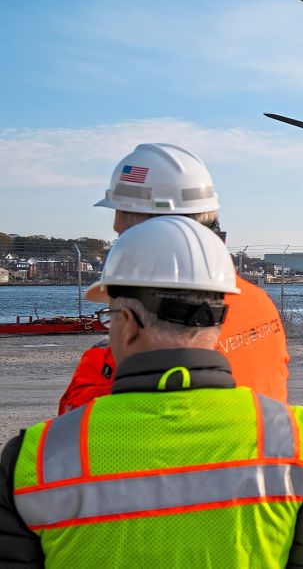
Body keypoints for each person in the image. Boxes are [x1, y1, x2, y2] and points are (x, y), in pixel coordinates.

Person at [0, 216, 303, 567]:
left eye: (110, 317)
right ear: (217, 322)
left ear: (127, 323)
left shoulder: (36, 459)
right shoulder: (298, 444)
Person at [58, 143, 288, 413]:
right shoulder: (259, 302)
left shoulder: (144, 329)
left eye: (124, 216)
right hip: (262, 449)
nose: (116, 225)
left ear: (165, 228)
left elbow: (80, 428)